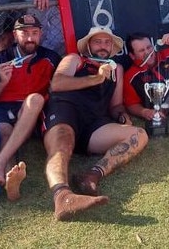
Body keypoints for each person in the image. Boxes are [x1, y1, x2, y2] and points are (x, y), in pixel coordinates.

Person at [42, 27, 148, 220]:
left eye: (107, 42)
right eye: (97, 42)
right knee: (62, 144)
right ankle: (63, 197)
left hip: (95, 124)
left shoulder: (117, 69)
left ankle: (91, 176)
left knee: (138, 134)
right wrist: (97, 78)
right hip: (66, 111)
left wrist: (122, 115)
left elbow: (116, 105)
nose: (103, 46)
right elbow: (57, 84)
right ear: (88, 45)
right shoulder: (75, 59)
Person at [0, 14, 61, 201]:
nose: (30, 38)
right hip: (4, 109)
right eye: (24, 33)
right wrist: (2, 83)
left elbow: (61, 86)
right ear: (15, 36)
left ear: (41, 34)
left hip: (33, 110)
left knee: (35, 99)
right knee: (5, 132)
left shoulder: (51, 58)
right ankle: (10, 177)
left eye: (34, 32)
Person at [124, 32, 169, 122]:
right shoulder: (130, 76)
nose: (147, 52)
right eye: (141, 50)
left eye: (149, 47)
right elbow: (131, 104)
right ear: (132, 56)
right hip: (167, 116)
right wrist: (144, 112)